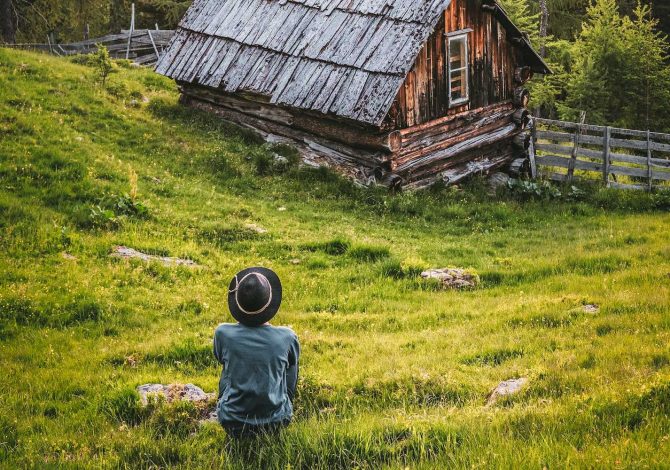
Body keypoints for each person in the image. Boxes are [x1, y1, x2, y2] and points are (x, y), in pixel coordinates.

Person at [213, 267, 300, 438]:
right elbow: (290, 369)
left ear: (238, 302)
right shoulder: (287, 336)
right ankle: (282, 403)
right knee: (292, 364)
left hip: (232, 421)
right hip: (277, 421)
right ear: (270, 299)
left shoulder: (222, 333)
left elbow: (220, 358)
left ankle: (233, 406)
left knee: (227, 368)